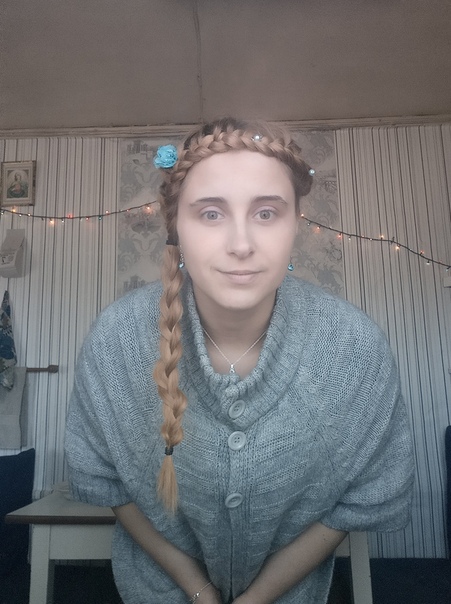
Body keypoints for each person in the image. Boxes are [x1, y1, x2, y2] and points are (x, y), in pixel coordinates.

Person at [65, 117, 414, 604]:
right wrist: (198, 589)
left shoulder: (354, 349)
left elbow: (362, 497)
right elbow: (106, 480)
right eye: (211, 213)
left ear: (296, 223)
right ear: (176, 225)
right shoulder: (116, 342)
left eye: (266, 213)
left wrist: (259, 597)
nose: (241, 244)